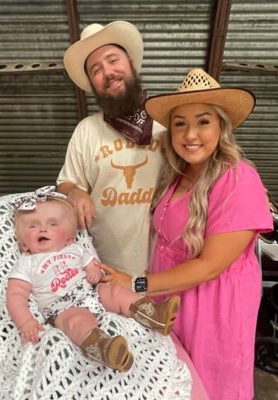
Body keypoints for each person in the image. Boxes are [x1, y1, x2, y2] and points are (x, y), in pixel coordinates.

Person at [99, 68, 274, 399]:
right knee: (177, 382)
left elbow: (210, 266)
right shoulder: (178, 175)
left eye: (203, 121)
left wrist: (136, 284)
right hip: (173, 299)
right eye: (180, 123)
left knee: (214, 386)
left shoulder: (237, 179)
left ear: (222, 126)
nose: (190, 134)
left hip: (215, 308)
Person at [6, 186, 179, 372]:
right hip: (63, 308)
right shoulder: (27, 263)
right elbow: (15, 295)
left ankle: (153, 314)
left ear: (69, 238)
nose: (42, 228)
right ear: (24, 245)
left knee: (116, 291)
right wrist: (25, 322)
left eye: (52, 224)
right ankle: (103, 348)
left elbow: (92, 263)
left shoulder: (75, 250)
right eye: (33, 226)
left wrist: (93, 271)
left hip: (91, 291)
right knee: (77, 323)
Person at [56, 21, 165, 276]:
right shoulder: (86, 130)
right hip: (105, 268)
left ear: (129, 62)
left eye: (113, 60)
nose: (108, 72)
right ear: (93, 84)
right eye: (96, 69)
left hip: (166, 266)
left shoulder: (167, 117)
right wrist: (74, 192)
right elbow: (67, 182)